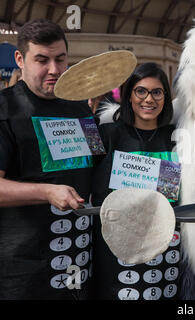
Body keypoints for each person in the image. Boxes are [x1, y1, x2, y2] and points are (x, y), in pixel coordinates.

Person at [0, 19, 96, 299]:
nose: (54, 70)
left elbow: (93, 163)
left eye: (60, 59)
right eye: (42, 60)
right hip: (24, 272)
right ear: (20, 59)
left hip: (77, 263)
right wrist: (46, 191)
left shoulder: (80, 107)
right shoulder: (5, 109)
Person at [91, 63, 180, 300]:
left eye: (157, 92)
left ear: (165, 98)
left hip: (163, 253)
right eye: (141, 91)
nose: (148, 99)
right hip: (115, 252)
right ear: (129, 95)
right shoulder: (106, 133)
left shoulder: (177, 139)